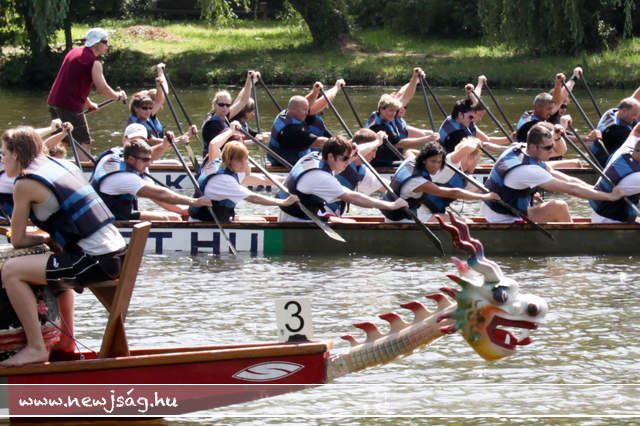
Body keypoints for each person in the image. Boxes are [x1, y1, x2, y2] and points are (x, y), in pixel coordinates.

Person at [0, 126, 127, 367]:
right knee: (53, 263)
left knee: (12, 271)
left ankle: (36, 348)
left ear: (15, 153)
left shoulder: (24, 184)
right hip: (116, 253)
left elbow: (17, 240)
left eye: (3, 154)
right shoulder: (62, 165)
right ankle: (65, 344)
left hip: (95, 260)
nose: (2, 160)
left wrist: (42, 240)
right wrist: (49, 242)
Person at [481, 122, 625, 223]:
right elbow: (572, 189)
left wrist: (596, 189)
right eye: (548, 148)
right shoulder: (529, 170)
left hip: (498, 211)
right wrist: (609, 197)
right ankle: (572, 246)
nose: (553, 151)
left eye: (553, 145)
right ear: (534, 147)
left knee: (557, 205)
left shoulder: (519, 148)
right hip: (503, 218)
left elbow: (568, 180)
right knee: (559, 207)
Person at [91, 124, 211, 221]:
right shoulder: (125, 177)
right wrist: (194, 202)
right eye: (145, 160)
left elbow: (155, 195)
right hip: (106, 220)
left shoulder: (118, 154)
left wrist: (164, 145)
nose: (149, 164)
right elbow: (160, 194)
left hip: (114, 212)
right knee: (174, 219)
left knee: (176, 216)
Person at [277, 136, 408, 222]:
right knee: (351, 222)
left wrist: (377, 142)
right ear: (330, 156)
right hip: (297, 222)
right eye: (345, 159)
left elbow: (354, 153)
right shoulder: (320, 177)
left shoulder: (314, 156)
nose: (349, 162)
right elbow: (353, 197)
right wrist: (391, 205)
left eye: (349, 158)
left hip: (294, 215)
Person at [47, 28, 127, 158]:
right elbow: (103, 89)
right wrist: (118, 96)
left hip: (54, 101)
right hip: (69, 106)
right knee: (83, 142)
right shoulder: (94, 62)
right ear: (96, 43)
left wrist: (88, 103)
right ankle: (84, 169)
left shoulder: (74, 52)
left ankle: (50, 165)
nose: (108, 45)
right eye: (105, 42)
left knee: (61, 140)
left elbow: (73, 83)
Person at [380, 141, 499, 223]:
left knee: (464, 221)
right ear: (424, 160)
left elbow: (479, 190)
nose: (437, 166)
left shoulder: (411, 160)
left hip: (405, 214)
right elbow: (453, 192)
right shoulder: (418, 180)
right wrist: (479, 143)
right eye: (433, 161)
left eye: (439, 162)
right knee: (467, 223)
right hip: (404, 219)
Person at [189, 141, 298, 223]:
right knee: (261, 222)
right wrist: (283, 202)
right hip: (205, 222)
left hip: (219, 218)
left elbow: (261, 179)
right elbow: (253, 198)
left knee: (261, 220)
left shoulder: (225, 166)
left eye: (245, 159)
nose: (244, 163)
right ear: (229, 159)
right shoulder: (223, 179)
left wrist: (288, 180)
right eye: (239, 160)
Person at [324, 128, 389, 217]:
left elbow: (385, 186)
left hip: (333, 214)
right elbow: (354, 150)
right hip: (320, 213)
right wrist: (377, 141)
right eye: (373, 150)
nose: (374, 156)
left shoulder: (362, 170)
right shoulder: (338, 162)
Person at [366, 94, 438, 166]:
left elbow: (406, 97)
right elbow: (400, 143)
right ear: (381, 109)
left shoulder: (387, 118)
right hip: (380, 162)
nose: (393, 114)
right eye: (391, 110)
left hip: (393, 158)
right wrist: (427, 139)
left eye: (395, 111)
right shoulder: (377, 126)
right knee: (420, 162)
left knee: (416, 155)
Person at [202, 71, 258, 158]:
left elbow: (243, 100)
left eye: (228, 105)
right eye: (221, 105)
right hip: (213, 162)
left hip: (226, 158)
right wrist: (254, 141)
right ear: (215, 105)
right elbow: (227, 145)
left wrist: (249, 81)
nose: (225, 107)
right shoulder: (212, 125)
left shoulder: (224, 115)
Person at [590, 124, 640, 223]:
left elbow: (636, 130)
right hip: (610, 221)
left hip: (600, 215)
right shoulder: (637, 177)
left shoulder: (625, 150)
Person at [268, 95, 328, 166]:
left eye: (307, 109)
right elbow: (321, 142)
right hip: (286, 164)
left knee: (315, 122)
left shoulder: (284, 114)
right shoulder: (291, 130)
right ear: (293, 109)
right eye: (304, 110)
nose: (307, 113)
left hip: (284, 154)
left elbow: (305, 104)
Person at [127, 89, 196, 147]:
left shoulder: (150, 119)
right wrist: (177, 142)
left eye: (150, 108)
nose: (148, 111)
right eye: (144, 108)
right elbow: (153, 141)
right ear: (136, 108)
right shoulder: (135, 124)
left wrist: (188, 134)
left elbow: (166, 141)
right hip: (140, 157)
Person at [592, 93, 640, 168]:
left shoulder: (613, 111)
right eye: (634, 115)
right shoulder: (617, 130)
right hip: (607, 165)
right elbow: (634, 151)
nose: (636, 118)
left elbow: (632, 101)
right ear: (623, 111)